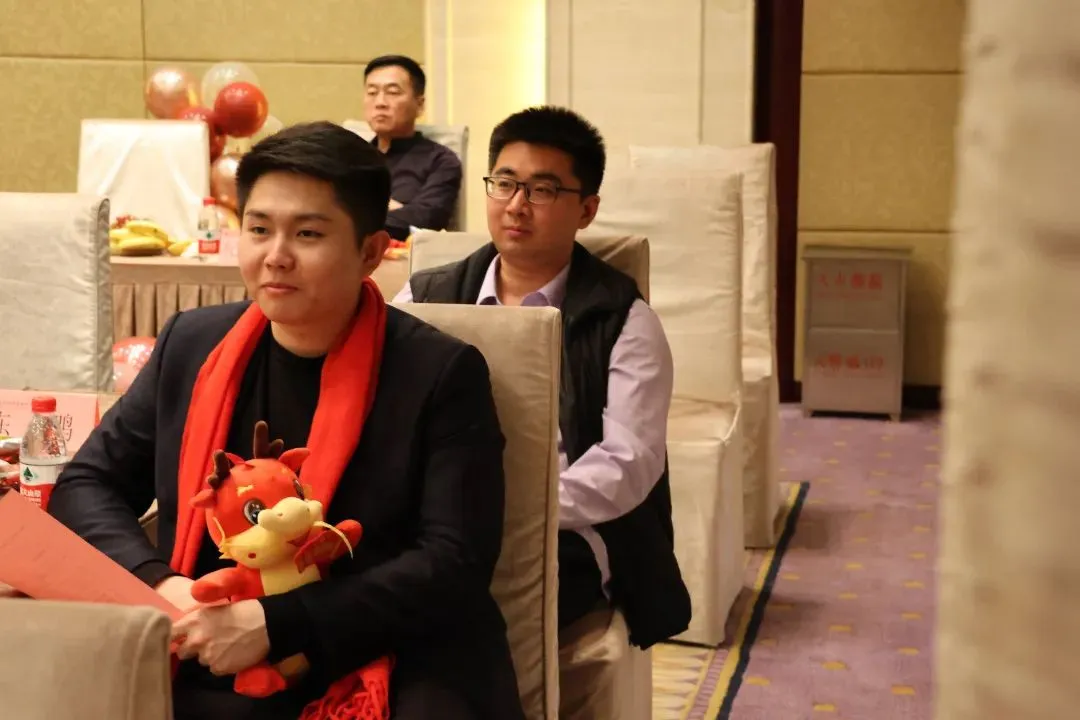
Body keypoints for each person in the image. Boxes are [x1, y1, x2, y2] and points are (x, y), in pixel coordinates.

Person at [48, 121, 524, 720]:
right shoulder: (193, 344)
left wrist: (276, 623)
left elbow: (453, 561)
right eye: (258, 229)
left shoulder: (439, 372)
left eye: (307, 233)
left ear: (371, 252)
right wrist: (164, 586)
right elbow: (86, 484)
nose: (276, 256)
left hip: (379, 650)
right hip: (206, 644)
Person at [394, 106, 691, 649]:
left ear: (587, 209)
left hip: (566, 530)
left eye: (542, 190)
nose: (516, 205)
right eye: (505, 183)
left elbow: (628, 463)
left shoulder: (622, 319)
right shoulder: (424, 297)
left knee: (468, 607)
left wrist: (514, 508)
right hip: (436, 517)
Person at [363, 54, 462, 240]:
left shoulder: (440, 160)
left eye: (393, 92)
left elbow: (427, 219)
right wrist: (396, 209)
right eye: (372, 92)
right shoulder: (349, 158)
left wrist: (363, 211)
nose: (380, 103)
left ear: (420, 105)